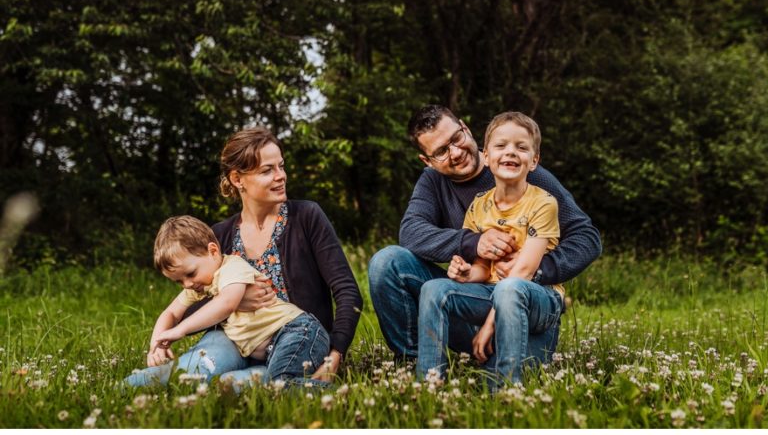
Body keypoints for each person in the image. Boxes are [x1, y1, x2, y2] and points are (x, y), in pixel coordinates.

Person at [368, 105, 601, 377]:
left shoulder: (521, 170)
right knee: (387, 262)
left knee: (500, 379)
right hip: (474, 298)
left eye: (456, 138)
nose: (455, 152)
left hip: (525, 304)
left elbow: (587, 238)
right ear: (427, 161)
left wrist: (536, 269)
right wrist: (472, 244)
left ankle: (500, 358)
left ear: (465, 128)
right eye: (442, 151)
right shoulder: (433, 182)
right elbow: (411, 233)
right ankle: (414, 365)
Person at [125, 127, 362, 388]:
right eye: (266, 170)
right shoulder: (219, 236)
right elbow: (191, 305)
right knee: (190, 374)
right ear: (238, 178)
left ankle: (276, 383)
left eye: (281, 166)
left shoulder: (306, 217)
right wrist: (238, 299)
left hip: (293, 341)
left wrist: (336, 353)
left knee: (243, 386)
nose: (280, 176)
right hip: (235, 341)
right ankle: (130, 387)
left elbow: (348, 291)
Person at [417, 112, 562, 386]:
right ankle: (429, 383)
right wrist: (466, 274)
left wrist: (488, 325)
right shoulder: (479, 205)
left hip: (539, 298)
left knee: (509, 289)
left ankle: (506, 387)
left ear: (534, 161)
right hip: (495, 292)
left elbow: (524, 272)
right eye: (501, 146)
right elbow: (484, 268)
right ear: (487, 155)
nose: (511, 153)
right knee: (434, 288)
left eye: (521, 147)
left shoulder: (544, 203)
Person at [138, 215, 329, 385]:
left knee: (281, 383)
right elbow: (171, 312)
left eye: (190, 274)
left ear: (213, 251)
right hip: (271, 349)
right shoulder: (201, 285)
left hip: (297, 331)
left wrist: (180, 330)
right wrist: (155, 346)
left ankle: (336, 395)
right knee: (261, 382)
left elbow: (226, 304)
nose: (187, 284)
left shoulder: (232, 268)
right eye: (179, 281)